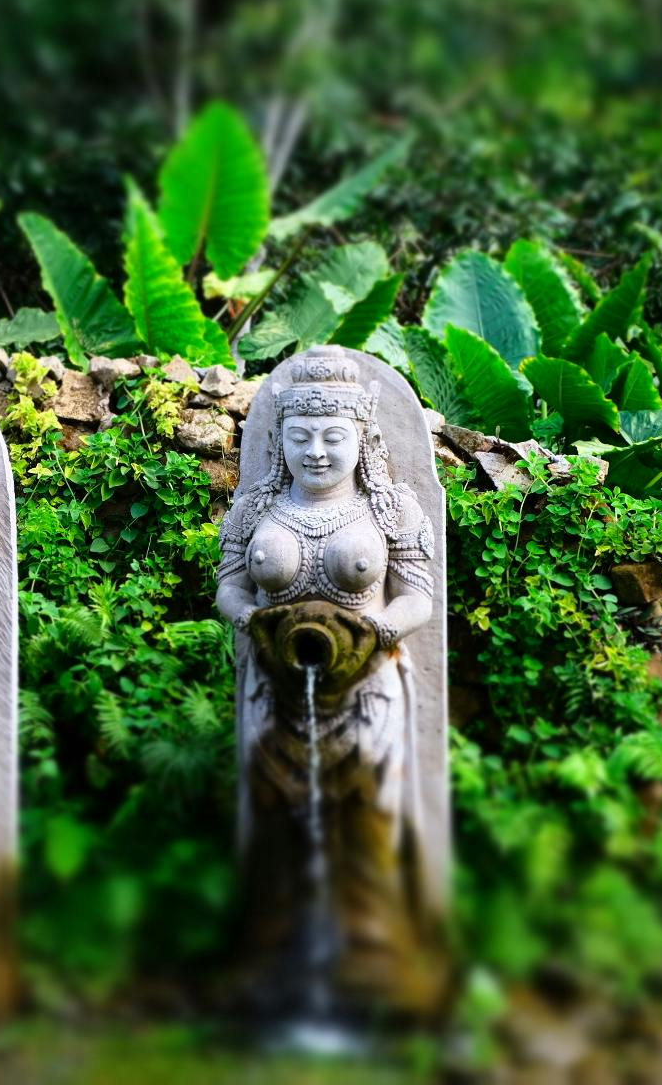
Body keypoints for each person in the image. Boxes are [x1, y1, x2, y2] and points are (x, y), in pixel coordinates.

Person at [215, 347, 445, 1017]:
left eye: (333, 437)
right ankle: (276, 954)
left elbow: (420, 598)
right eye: (302, 437)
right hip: (273, 687)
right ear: (281, 440)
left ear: (361, 440)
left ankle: (369, 954)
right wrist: (255, 619)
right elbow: (228, 587)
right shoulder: (258, 506)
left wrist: (376, 632)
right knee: (274, 814)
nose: (317, 451)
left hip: (368, 688)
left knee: (367, 812)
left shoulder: (389, 508)